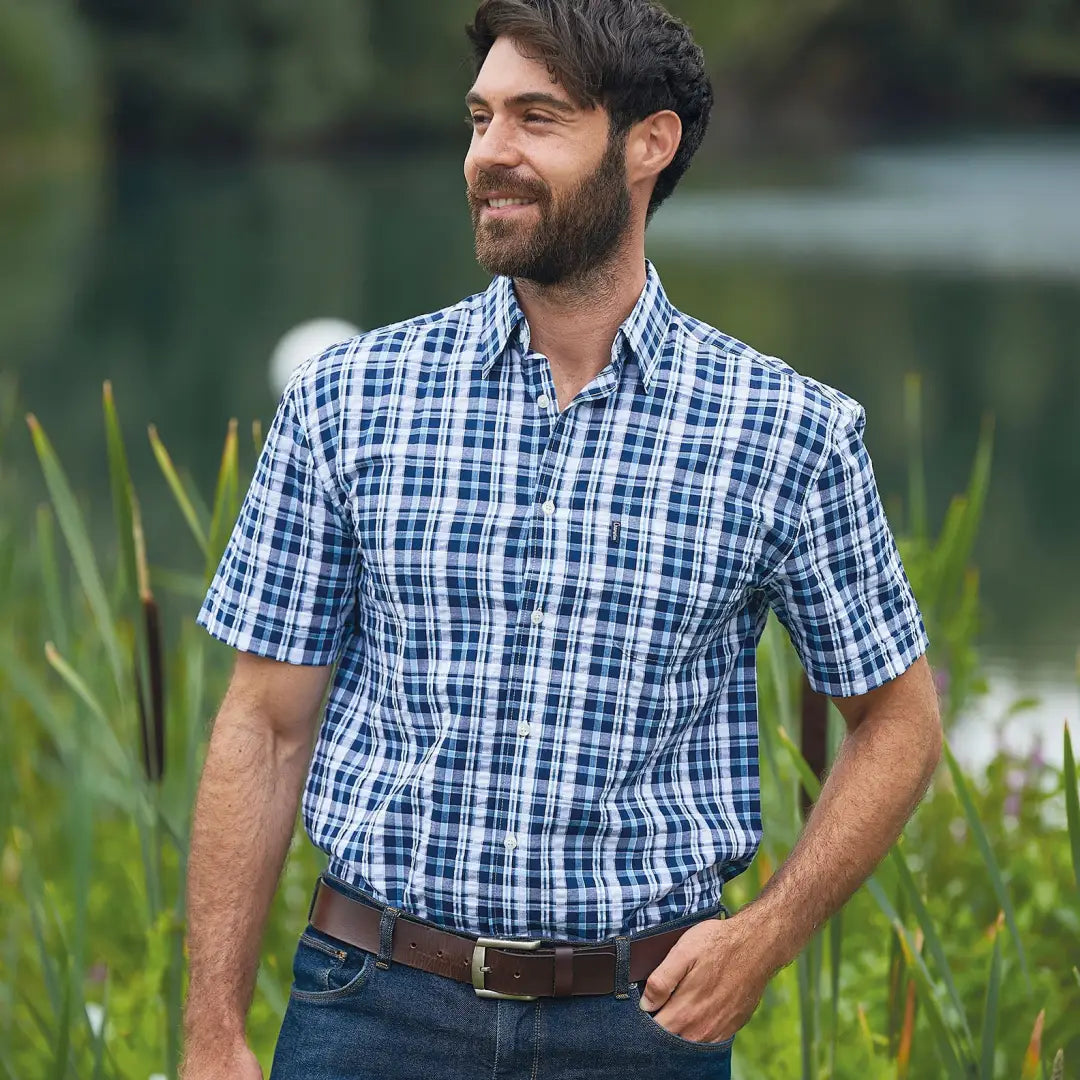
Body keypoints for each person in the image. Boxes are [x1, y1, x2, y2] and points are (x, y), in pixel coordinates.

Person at [179, 1, 942, 1077]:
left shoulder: (788, 433)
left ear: (649, 142)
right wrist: (211, 1032)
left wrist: (766, 938)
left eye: (536, 119)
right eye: (479, 117)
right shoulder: (349, 401)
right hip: (371, 1011)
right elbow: (261, 728)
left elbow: (898, 721)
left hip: (641, 1026)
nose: (490, 154)